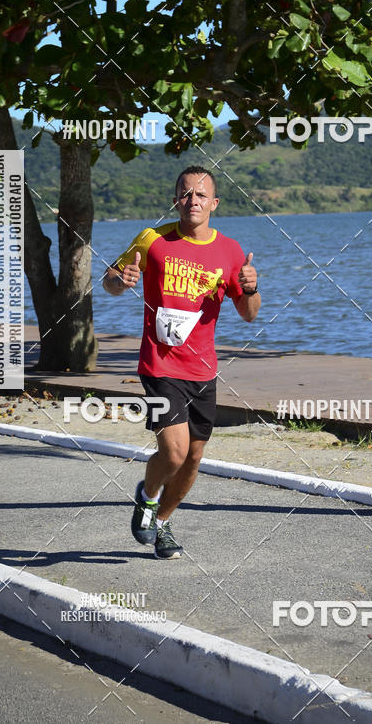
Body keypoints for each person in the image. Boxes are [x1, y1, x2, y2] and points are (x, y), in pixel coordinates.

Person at [103, 166, 260, 559]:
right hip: (159, 363)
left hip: (203, 370)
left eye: (202, 195)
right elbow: (108, 281)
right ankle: (148, 495)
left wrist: (253, 288)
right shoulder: (152, 240)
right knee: (173, 451)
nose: (193, 201)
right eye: (186, 194)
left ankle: (162, 523)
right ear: (176, 200)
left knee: (193, 458)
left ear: (214, 203)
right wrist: (121, 280)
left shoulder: (231, 252)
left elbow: (249, 313)